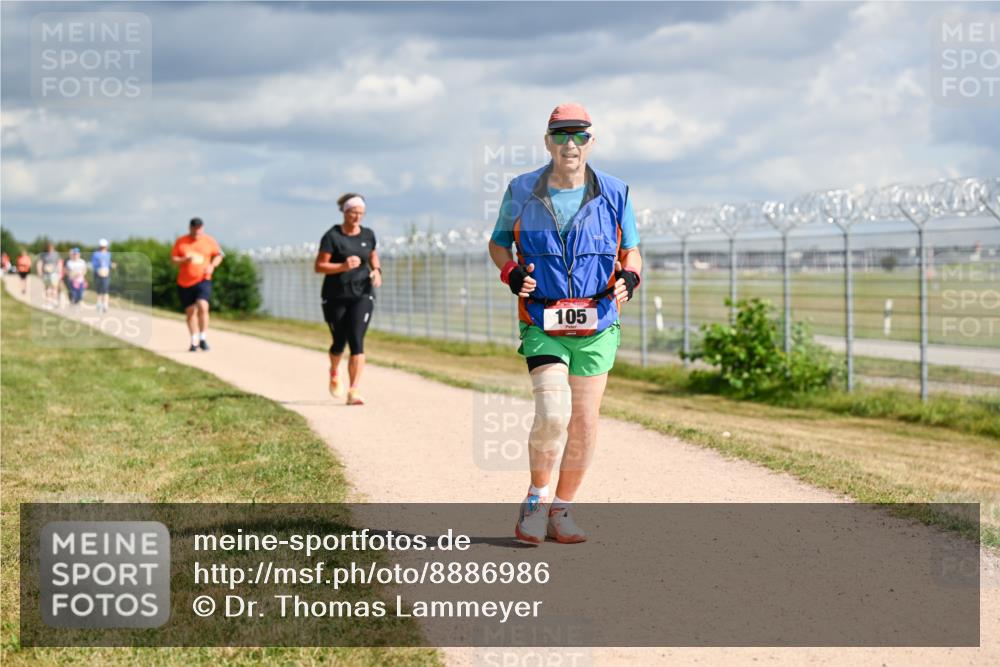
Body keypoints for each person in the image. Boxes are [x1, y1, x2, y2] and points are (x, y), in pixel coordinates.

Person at [488, 103, 643, 545]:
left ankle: (562, 509)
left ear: (591, 141)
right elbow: (499, 245)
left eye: (578, 135)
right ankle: (535, 501)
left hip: (598, 322)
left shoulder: (616, 192)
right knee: (554, 414)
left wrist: (630, 277)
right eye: (560, 135)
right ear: (547, 141)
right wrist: (511, 272)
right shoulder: (521, 190)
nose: (569, 144)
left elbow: (632, 251)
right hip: (542, 319)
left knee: (586, 422)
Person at [314, 193, 382, 406]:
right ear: (345, 212)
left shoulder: (368, 235)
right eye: (353, 212)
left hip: (362, 293)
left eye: (361, 213)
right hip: (335, 295)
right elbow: (319, 266)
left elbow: (372, 255)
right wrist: (342, 267)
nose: (357, 217)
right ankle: (334, 370)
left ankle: (354, 390)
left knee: (357, 340)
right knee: (339, 342)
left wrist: (377, 271)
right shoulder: (332, 236)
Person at [171, 218, 224, 351]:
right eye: (194, 228)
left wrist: (212, 266)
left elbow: (219, 255)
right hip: (184, 281)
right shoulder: (181, 241)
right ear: (190, 228)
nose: (196, 231)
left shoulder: (209, 241)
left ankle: (203, 338)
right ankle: (194, 340)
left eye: (199, 228)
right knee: (190, 312)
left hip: (203, 279)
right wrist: (184, 260)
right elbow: (173, 260)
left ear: (202, 228)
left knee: (203, 305)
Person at [37, 243, 64, 309]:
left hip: (54, 273)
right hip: (46, 274)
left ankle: (54, 302)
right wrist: (39, 272)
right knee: (47, 288)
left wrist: (60, 272)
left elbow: (59, 263)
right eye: (49, 247)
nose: (50, 249)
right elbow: (40, 263)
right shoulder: (43, 255)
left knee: (54, 288)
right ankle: (48, 302)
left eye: (51, 247)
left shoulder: (56, 254)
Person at [91, 239, 114, 313]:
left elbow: (109, 263)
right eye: (102, 247)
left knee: (105, 289)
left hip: (106, 273)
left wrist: (112, 265)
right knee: (99, 290)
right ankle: (99, 303)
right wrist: (98, 268)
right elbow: (94, 264)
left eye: (104, 247)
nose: (103, 248)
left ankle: (105, 304)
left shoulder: (108, 254)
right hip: (98, 273)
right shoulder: (96, 254)